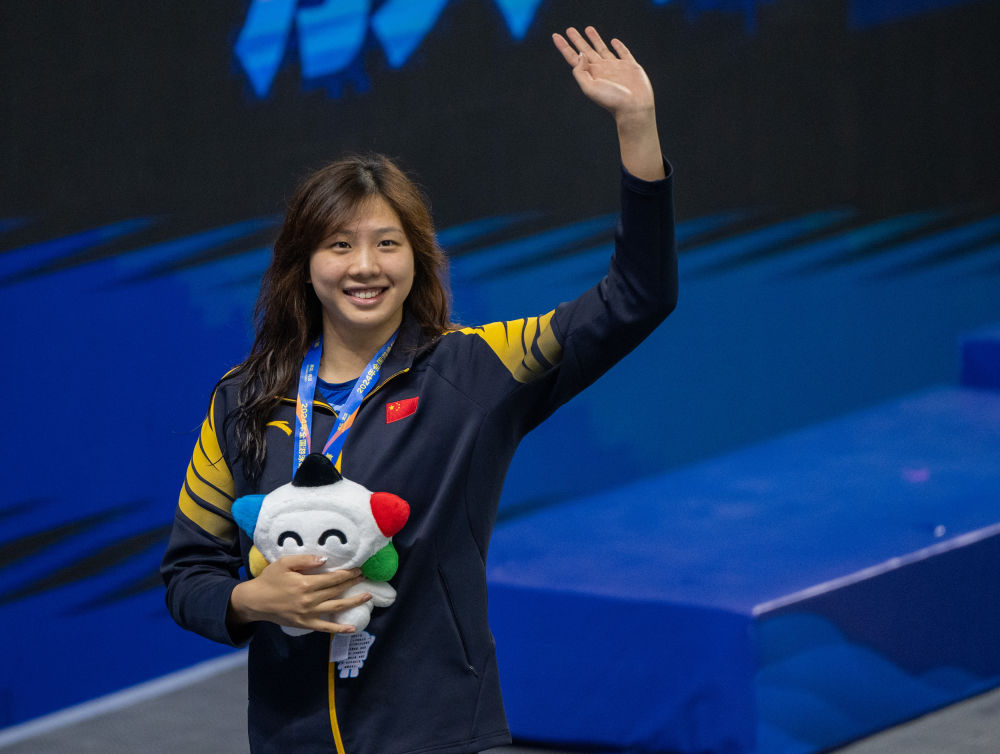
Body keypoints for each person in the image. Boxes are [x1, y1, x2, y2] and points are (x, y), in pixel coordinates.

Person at [161, 26, 677, 754]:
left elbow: (638, 297)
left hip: (439, 734)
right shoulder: (243, 398)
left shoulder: (475, 368)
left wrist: (637, 126)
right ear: (303, 264)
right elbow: (188, 573)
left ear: (417, 258)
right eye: (339, 245)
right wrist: (250, 599)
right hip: (292, 738)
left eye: (387, 243)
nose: (364, 267)